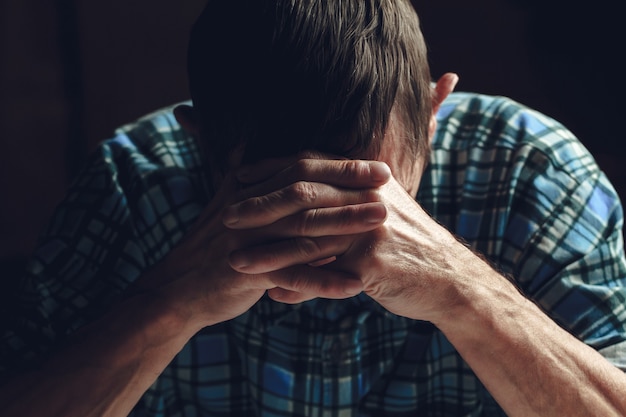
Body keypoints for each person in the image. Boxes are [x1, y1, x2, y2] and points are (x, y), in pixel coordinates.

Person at [1, 0, 625, 415]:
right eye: (272, 193)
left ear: (434, 112)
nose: (319, 252)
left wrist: (461, 290)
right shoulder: (132, 184)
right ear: (200, 143)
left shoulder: (533, 175)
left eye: (364, 196)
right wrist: (170, 304)